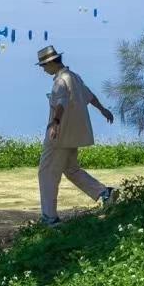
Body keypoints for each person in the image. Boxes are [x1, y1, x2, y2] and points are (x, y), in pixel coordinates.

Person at [36, 43, 117, 224]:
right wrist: (103, 109)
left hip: (59, 136)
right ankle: (104, 193)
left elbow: (61, 104)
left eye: (43, 66)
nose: (43, 69)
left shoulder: (60, 82)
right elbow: (90, 96)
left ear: (51, 63)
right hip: (73, 136)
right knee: (72, 169)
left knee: (47, 173)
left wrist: (55, 124)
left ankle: (49, 217)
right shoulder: (73, 77)